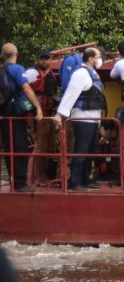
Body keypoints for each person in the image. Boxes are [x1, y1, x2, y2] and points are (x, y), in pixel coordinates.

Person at [54, 46, 107, 191]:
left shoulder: (93, 73)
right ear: (90, 58)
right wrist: (60, 114)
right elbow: (70, 95)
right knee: (81, 150)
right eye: (97, 57)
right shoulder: (81, 73)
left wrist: (99, 120)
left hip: (93, 119)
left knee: (91, 151)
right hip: (82, 118)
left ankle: (86, 179)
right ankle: (75, 181)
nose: (100, 60)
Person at [1, 44, 42, 192]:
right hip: (16, 115)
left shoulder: (1, 69)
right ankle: (20, 183)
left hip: (3, 115)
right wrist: (38, 107)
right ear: (16, 54)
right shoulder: (17, 69)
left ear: (2, 55)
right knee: (21, 148)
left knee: (9, 148)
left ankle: (14, 179)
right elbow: (26, 88)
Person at [28, 50, 60, 185]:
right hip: (37, 114)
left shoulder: (52, 75)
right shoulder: (32, 73)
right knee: (40, 146)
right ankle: (37, 177)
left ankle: (43, 175)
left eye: (47, 59)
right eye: (42, 59)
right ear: (37, 59)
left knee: (49, 146)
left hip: (49, 114)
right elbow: (25, 90)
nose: (45, 61)